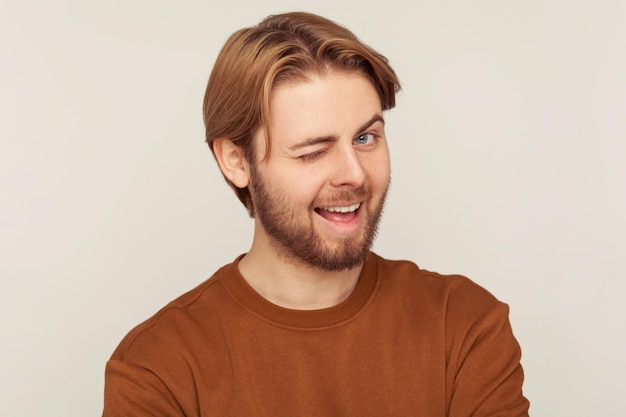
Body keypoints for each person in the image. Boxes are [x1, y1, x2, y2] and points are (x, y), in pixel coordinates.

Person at [103, 11, 530, 416]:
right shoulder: (157, 368)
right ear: (236, 161)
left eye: (366, 137)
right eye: (313, 151)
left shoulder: (463, 326)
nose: (353, 173)